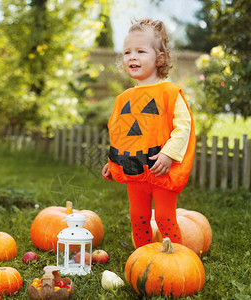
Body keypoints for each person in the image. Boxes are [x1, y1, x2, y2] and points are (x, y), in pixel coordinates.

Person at [101, 19, 196, 248]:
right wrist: (113, 162)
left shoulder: (169, 92)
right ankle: (143, 255)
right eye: (127, 52)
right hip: (134, 169)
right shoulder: (123, 99)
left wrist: (168, 154)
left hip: (160, 168)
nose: (132, 57)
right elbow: (121, 134)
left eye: (140, 51)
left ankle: (174, 258)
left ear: (159, 58)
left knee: (164, 217)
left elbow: (184, 126)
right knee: (138, 217)